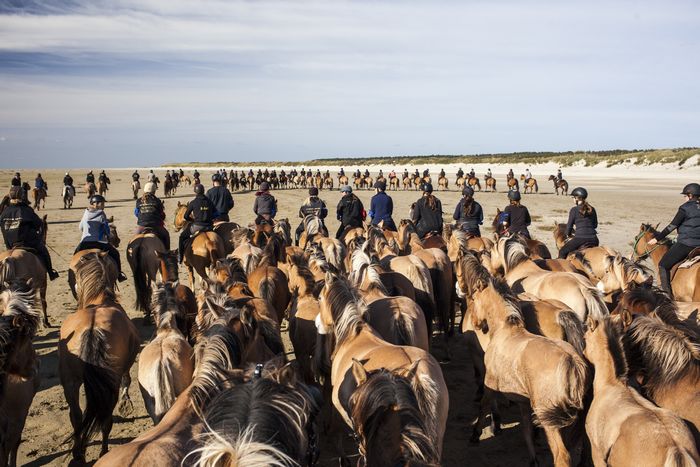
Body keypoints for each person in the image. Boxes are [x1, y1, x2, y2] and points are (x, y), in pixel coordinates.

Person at [648, 183, 700, 298]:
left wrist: (657, 238)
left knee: (663, 265)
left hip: (686, 244)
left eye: (685, 196)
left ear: (690, 195)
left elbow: (672, 226)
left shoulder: (685, 208)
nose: (684, 198)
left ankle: (667, 296)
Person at [0, 186, 59, 280]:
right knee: (44, 251)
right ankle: (51, 273)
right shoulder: (26, 210)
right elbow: (38, 224)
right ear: (21, 196)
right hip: (27, 243)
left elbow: (3, 230)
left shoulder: (4, 212)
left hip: (10, 244)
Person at [76, 194, 126, 281]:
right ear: (95, 203)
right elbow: (106, 230)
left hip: (84, 243)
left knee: (75, 256)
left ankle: (73, 275)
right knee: (115, 254)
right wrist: (108, 235)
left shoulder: (86, 212)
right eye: (102, 204)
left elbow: (80, 227)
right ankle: (119, 275)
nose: (103, 206)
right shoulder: (101, 213)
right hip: (99, 243)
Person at [178, 184, 215, 263]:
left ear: (195, 191)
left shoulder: (193, 202)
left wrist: (192, 220)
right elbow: (214, 212)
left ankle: (180, 257)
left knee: (182, 236)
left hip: (197, 226)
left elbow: (185, 216)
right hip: (209, 227)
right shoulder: (209, 201)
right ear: (203, 191)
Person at [558, 187, 599, 259]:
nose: (573, 199)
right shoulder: (592, 208)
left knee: (562, 251)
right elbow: (595, 225)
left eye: (573, 197)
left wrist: (568, 234)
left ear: (577, 198)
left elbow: (569, 226)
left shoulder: (574, 210)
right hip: (594, 239)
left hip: (580, 238)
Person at [134, 182, 169, 249]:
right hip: (155, 225)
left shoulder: (138, 201)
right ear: (154, 191)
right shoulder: (157, 201)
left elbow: (136, 213)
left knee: (133, 241)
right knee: (166, 235)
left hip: (142, 225)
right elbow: (161, 213)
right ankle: (167, 253)